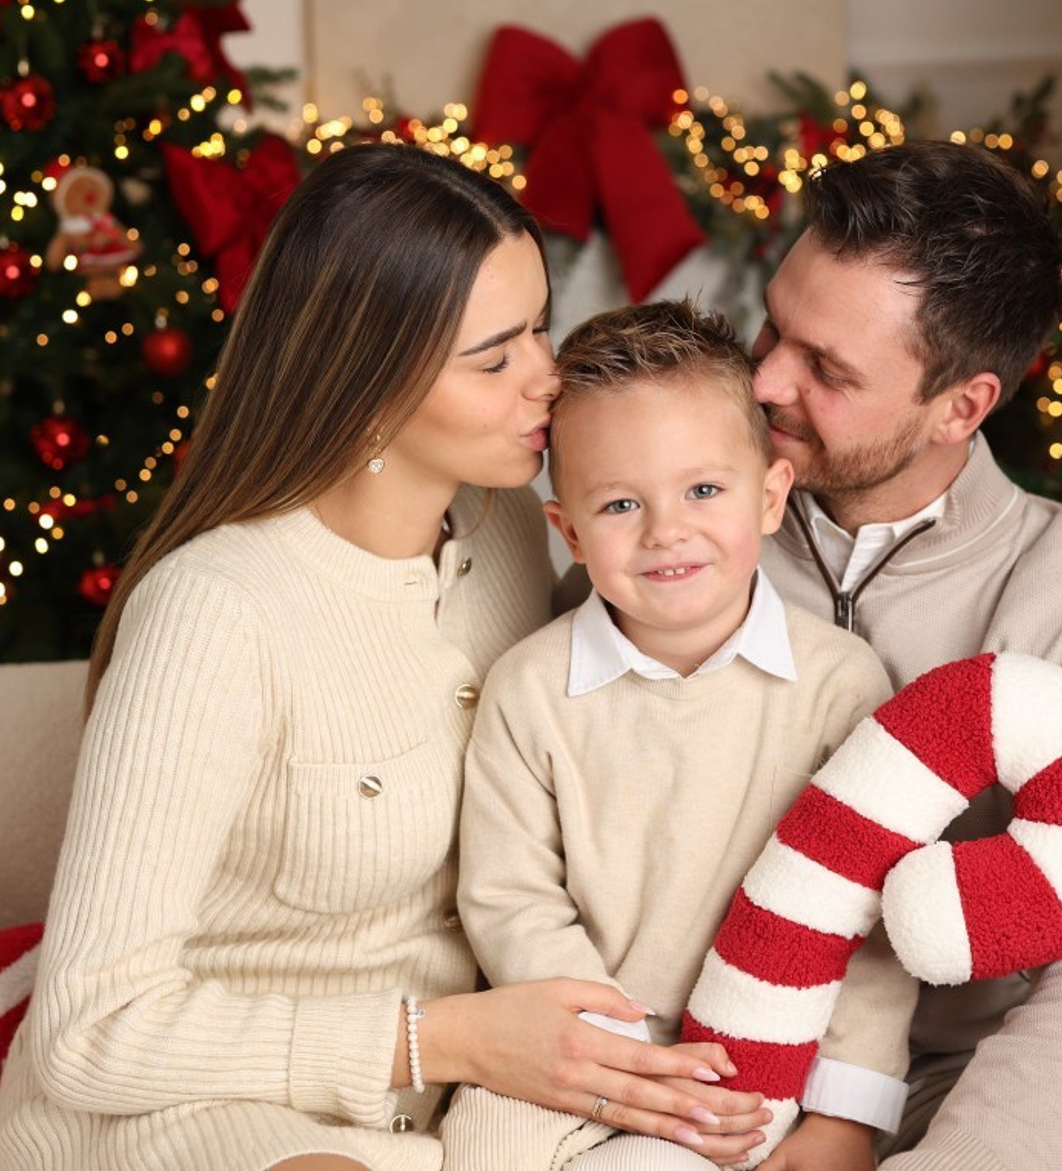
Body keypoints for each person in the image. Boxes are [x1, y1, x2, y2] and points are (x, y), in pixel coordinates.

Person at [0, 145, 766, 1171]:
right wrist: (439, 1035)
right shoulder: (214, 613)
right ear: (364, 382)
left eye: (539, 325)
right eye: (493, 359)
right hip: (188, 1106)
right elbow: (89, 1033)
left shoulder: (503, 525)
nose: (547, 378)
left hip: (453, 1112)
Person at [752, 139, 1062, 1171]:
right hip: (702, 1067)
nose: (766, 378)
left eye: (825, 369)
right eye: (773, 325)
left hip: (942, 1099)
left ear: (960, 406)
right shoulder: (680, 515)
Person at [444, 300, 914, 1171]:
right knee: (480, 1148)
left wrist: (847, 1114)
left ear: (770, 496)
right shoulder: (531, 690)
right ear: (571, 533)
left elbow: (874, 921)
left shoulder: (840, 684)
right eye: (621, 503)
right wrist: (618, 1054)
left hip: (764, 1067)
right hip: (577, 1053)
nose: (667, 531)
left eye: (704, 489)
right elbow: (511, 900)